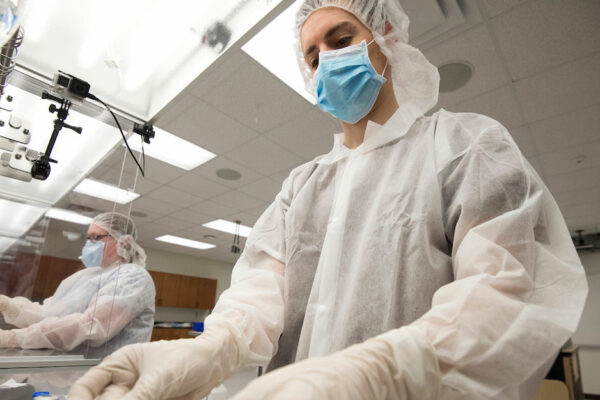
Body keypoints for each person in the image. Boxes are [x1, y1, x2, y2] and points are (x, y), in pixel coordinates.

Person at [69, 1, 588, 399]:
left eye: (342, 39)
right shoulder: (302, 187)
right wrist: (208, 350)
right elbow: (257, 300)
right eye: (313, 55)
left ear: (385, 37)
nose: (327, 61)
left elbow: (504, 298)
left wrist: (385, 370)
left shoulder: (464, 147)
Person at [0, 212, 155, 358]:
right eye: (88, 237)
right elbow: (49, 314)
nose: (89, 243)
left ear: (123, 242)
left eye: (96, 237)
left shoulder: (133, 277)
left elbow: (93, 327)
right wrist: (8, 306)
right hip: (65, 371)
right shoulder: (86, 276)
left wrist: (14, 338)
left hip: (107, 373)